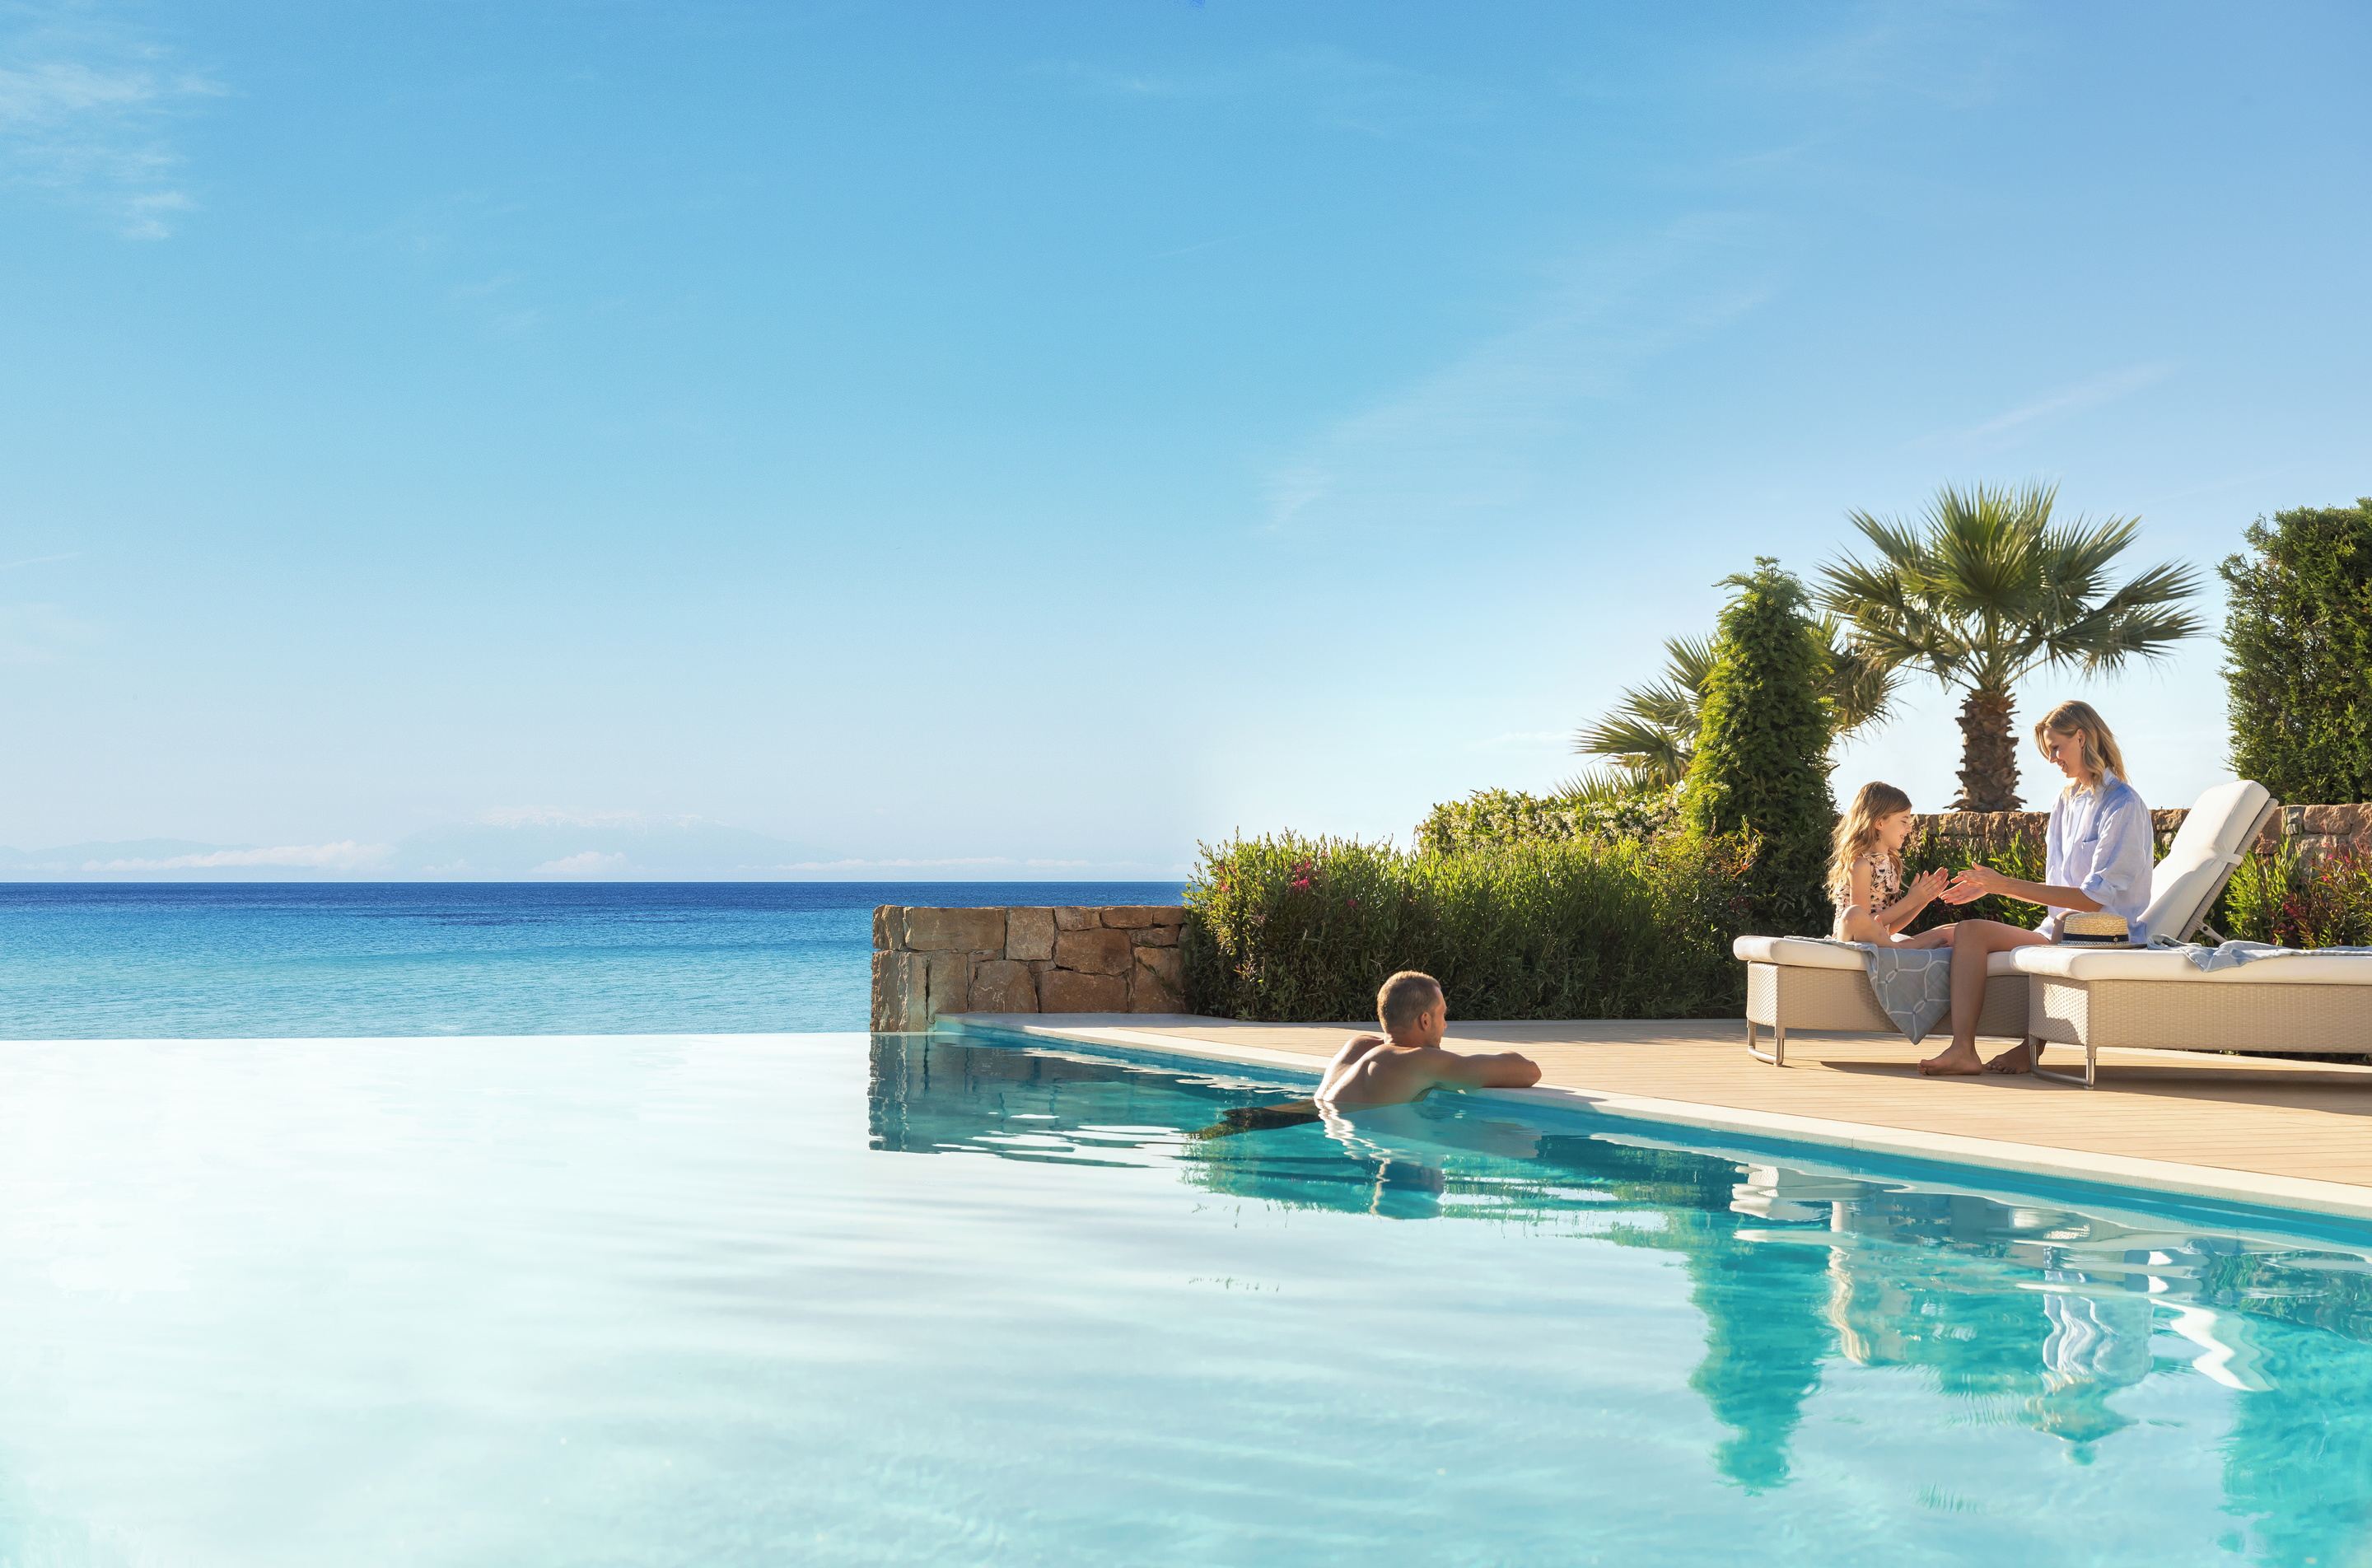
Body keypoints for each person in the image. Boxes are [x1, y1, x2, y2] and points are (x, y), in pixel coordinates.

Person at [1916, 700, 2153, 1077]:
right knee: (1970, 931)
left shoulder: (2123, 805)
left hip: (2108, 933)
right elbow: (2060, 887)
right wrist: (1992, 888)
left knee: (2067, 921)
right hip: (2061, 930)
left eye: (2056, 748)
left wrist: (2004, 884)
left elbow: (2092, 902)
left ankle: (2033, 1045)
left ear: (2082, 737)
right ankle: (1963, 1050)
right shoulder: (2067, 800)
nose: (2052, 759)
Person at [1314, 970, 1543, 1108]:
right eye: (1442, 1015)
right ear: (1425, 1020)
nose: (1445, 1025)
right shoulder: (1417, 1061)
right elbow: (1530, 1072)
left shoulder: (1357, 1046)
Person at [1828, 781, 1953, 946]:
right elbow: (1862, 925)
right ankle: (1902, 950)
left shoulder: (1890, 866)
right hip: (1850, 939)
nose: (1909, 828)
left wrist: (1921, 901)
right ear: (1880, 823)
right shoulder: (1860, 865)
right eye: (1904, 821)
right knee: (1855, 914)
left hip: (1881, 941)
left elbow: (1888, 928)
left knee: (1952, 932)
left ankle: (1900, 949)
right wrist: (1910, 901)